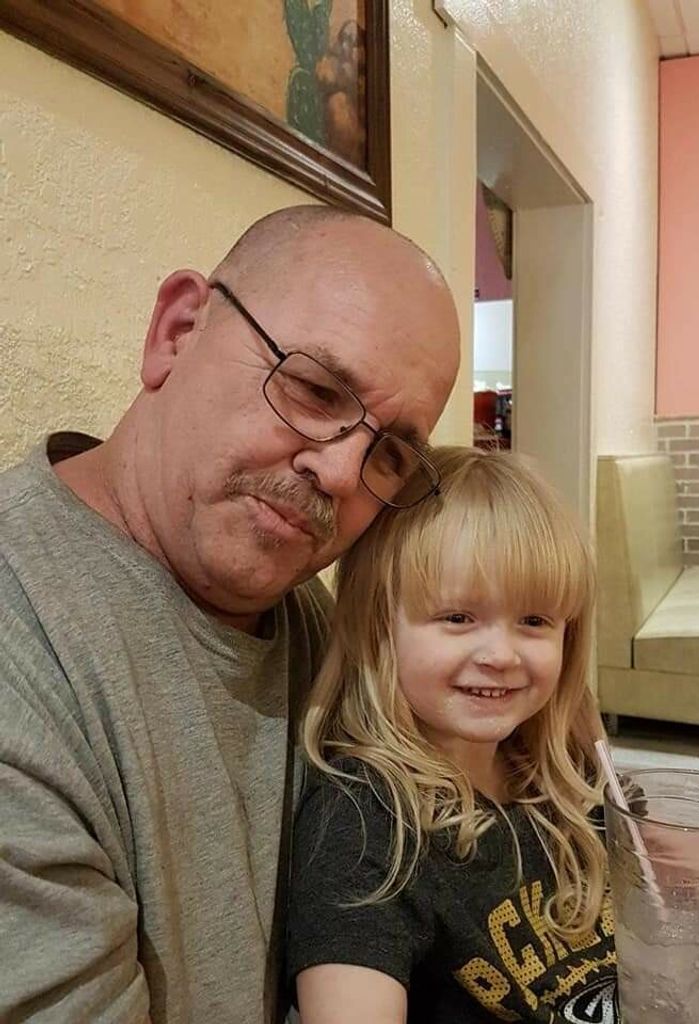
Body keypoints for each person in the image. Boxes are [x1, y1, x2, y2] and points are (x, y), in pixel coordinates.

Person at [0, 205, 460, 1023]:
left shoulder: (315, 623)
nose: (341, 474)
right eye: (314, 389)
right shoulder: (26, 651)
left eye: (389, 453)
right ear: (176, 333)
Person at [287, 446, 617, 1024]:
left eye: (534, 620)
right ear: (377, 625)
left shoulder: (572, 775)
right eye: (458, 618)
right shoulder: (365, 824)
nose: (501, 655)